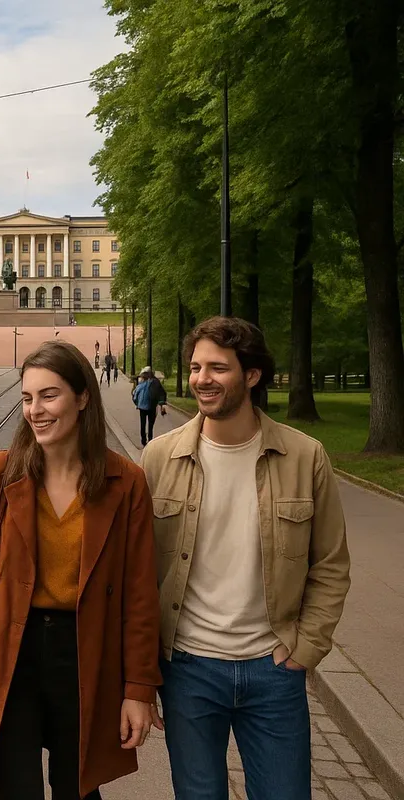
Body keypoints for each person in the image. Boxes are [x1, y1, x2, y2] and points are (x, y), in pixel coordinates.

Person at [0, 340, 162, 800]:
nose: (35, 410)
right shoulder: (0, 474)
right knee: (16, 786)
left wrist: (138, 688)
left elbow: (140, 594)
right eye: (27, 397)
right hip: (10, 648)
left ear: (82, 398)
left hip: (84, 650)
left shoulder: (125, 481)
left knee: (76, 787)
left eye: (49, 395)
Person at [140, 317, 350, 800]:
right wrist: (140, 674)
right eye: (195, 367)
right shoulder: (159, 458)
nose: (201, 379)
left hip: (272, 669)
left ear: (251, 376)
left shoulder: (305, 456)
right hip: (188, 669)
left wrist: (306, 648)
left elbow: (332, 565)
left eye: (218, 367)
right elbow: (137, 573)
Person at [131, 366, 166, 446]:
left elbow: (135, 394)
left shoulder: (145, 382)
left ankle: (146, 441)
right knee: (148, 425)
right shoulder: (150, 382)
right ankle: (147, 440)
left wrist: (136, 403)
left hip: (146, 407)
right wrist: (161, 404)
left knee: (146, 425)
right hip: (149, 407)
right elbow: (162, 393)